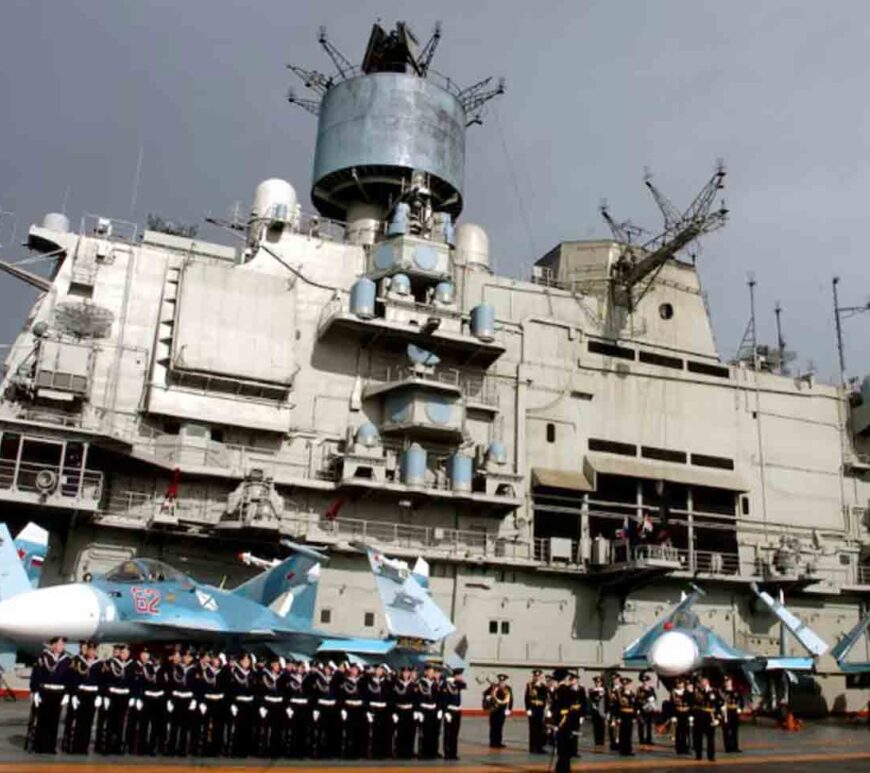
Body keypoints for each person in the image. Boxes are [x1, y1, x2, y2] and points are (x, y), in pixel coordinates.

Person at [29, 636, 70, 754]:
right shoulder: (43, 657)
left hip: (58, 693)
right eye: (59, 644)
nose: (62, 647)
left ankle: (50, 747)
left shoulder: (67, 660)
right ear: (53, 645)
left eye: (63, 645)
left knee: (54, 720)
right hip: (45, 692)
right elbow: (36, 675)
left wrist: (67, 693)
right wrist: (35, 691)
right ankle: (39, 746)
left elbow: (69, 678)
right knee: (43, 720)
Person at [63, 641, 100, 754]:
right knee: (79, 721)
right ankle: (75, 747)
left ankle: (84, 747)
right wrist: (73, 695)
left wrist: (100, 696)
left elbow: (102, 681)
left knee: (88, 722)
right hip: (81, 694)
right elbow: (74, 679)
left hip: (92, 695)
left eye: (94, 650)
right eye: (90, 650)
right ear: (87, 650)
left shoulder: (99, 664)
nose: (92, 652)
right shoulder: (79, 661)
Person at [98, 642, 132, 755]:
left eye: (127, 653)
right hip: (113, 695)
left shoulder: (132, 664)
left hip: (124, 697)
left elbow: (133, 683)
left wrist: (132, 697)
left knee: (120, 723)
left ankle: (117, 747)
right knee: (110, 723)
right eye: (122, 652)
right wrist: (106, 696)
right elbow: (106, 680)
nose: (124, 654)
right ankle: (106, 747)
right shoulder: (111, 663)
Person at [165, 648, 196, 757]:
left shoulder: (195, 669)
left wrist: (194, 700)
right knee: (174, 726)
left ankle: (183, 750)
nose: (187, 658)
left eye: (190, 657)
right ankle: (170, 749)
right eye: (185, 656)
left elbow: (198, 687)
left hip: (188, 699)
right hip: (177, 698)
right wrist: (170, 699)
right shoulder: (176, 668)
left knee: (185, 727)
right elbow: (170, 684)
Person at [551, 668, 580, 773]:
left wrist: (556, 724)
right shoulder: (565, 690)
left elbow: (563, 710)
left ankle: (563, 769)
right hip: (566, 723)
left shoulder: (562, 691)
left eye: (554, 680)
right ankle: (562, 768)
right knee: (564, 750)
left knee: (563, 749)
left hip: (563, 723)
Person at [339, 661, 366, 758]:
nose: (354, 671)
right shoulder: (345, 681)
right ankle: (347, 752)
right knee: (349, 731)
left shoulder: (362, 681)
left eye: (356, 669)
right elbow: (342, 695)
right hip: (349, 708)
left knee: (358, 732)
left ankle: (357, 752)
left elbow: (364, 695)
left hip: (358, 709)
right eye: (353, 669)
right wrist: (343, 708)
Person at [284, 659, 310, 758]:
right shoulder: (290, 678)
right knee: (293, 730)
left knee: (303, 730)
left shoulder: (307, 678)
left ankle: (302, 751)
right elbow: (287, 692)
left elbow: (309, 692)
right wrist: (288, 706)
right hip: (294, 706)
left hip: (303, 706)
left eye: (302, 667)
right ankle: (292, 751)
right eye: (298, 667)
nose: (300, 669)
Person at [692, 675, 721, 762]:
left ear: (707, 682)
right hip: (700, 716)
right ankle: (698, 755)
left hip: (710, 716)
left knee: (710, 738)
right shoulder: (697, 692)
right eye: (701, 682)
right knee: (698, 737)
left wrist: (718, 717)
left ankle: (711, 756)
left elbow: (718, 705)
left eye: (703, 682)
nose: (702, 684)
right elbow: (694, 703)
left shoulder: (714, 691)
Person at [366, 663, 392, 759]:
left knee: (383, 732)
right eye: (377, 670)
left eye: (381, 670)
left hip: (384, 710)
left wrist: (389, 671)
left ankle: (383, 752)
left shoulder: (387, 681)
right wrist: (368, 711)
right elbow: (367, 697)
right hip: (374, 709)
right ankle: (374, 752)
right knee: (374, 732)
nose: (379, 672)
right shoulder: (370, 681)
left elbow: (390, 695)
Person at [440, 666, 465, 761]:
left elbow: (464, 685)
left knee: (455, 733)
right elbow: (443, 699)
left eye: (460, 675)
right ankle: (447, 753)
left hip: (457, 711)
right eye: (459, 675)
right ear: (455, 675)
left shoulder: (458, 684)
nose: (460, 677)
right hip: (450, 711)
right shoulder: (447, 684)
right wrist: (445, 712)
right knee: (448, 733)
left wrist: (456, 681)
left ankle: (453, 753)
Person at [416, 663, 441, 759]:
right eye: (430, 672)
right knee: (423, 733)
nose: (432, 674)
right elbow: (418, 697)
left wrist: (438, 710)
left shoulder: (435, 684)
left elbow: (438, 698)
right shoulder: (421, 683)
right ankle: (422, 753)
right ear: (426, 672)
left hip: (433, 710)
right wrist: (419, 711)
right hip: (424, 710)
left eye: (433, 672)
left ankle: (432, 752)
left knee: (433, 732)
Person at [392, 665, 417, 759]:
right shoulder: (397, 684)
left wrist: (416, 711)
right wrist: (394, 712)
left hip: (409, 711)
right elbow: (394, 698)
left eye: (408, 672)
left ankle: (408, 752)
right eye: (404, 672)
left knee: (409, 733)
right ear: (402, 673)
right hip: (400, 710)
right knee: (400, 732)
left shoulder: (413, 684)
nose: (406, 674)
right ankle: (399, 752)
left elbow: (416, 699)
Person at [485, 673, 513, 748]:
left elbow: (511, 699)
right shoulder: (494, 687)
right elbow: (485, 693)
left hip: (502, 710)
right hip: (494, 709)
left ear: (505, 681)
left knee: (500, 726)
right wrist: (487, 697)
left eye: (503, 681)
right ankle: (492, 742)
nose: (501, 683)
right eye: (500, 681)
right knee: (493, 725)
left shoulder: (508, 688)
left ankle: (498, 742)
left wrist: (509, 709)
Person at [524, 669, 548, 754]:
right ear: (533, 677)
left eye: (538, 676)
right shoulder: (530, 685)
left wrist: (544, 708)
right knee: (532, 729)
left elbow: (545, 699)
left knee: (540, 729)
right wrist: (528, 709)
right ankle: (532, 748)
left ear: (541, 677)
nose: (537, 678)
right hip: (532, 709)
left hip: (540, 709)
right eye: (535, 676)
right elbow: (527, 698)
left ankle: (539, 747)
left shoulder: (544, 686)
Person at [721, 676, 743, 753]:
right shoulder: (722, 693)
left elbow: (741, 701)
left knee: (734, 730)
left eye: (729, 681)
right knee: (726, 730)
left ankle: (735, 747)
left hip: (734, 712)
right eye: (726, 681)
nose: (727, 683)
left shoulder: (736, 692)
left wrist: (740, 708)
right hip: (726, 712)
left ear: (731, 682)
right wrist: (721, 707)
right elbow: (719, 702)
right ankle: (727, 747)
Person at [670, 677, 691, 755]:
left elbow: (690, 704)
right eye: (678, 683)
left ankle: (686, 748)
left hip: (685, 713)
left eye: (681, 683)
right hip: (677, 713)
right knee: (678, 732)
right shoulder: (673, 692)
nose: (680, 685)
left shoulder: (687, 692)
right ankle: (679, 748)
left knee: (686, 731)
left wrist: (690, 715)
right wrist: (673, 715)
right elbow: (671, 705)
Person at [616, 676, 636, 756]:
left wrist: (634, 717)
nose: (626, 686)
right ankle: (622, 750)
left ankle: (629, 750)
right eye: (624, 685)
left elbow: (634, 706)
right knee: (622, 733)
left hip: (630, 715)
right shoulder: (620, 694)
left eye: (628, 684)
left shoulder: (632, 694)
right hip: (623, 715)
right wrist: (618, 717)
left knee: (629, 733)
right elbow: (617, 706)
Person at [636, 672, 657, 745]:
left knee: (649, 725)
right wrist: (644, 703)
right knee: (641, 725)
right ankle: (641, 739)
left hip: (649, 709)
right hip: (642, 709)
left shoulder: (651, 689)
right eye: (644, 681)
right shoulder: (639, 689)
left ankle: (649, 739)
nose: (645, 682)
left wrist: (652, 703)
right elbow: (637, 699)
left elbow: (654, 698)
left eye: (646, 681)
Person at [588, 675, 607, 747]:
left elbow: (606, 701)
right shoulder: (592, 690)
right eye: (596, 682)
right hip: (595, 710)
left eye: (599, 682)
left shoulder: (605, 690)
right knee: (596, 727)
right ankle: (597, 741)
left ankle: (602, 741)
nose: (598, 683)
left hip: (602, 710)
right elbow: (592, 697)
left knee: (602, 727)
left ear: (601, 683)